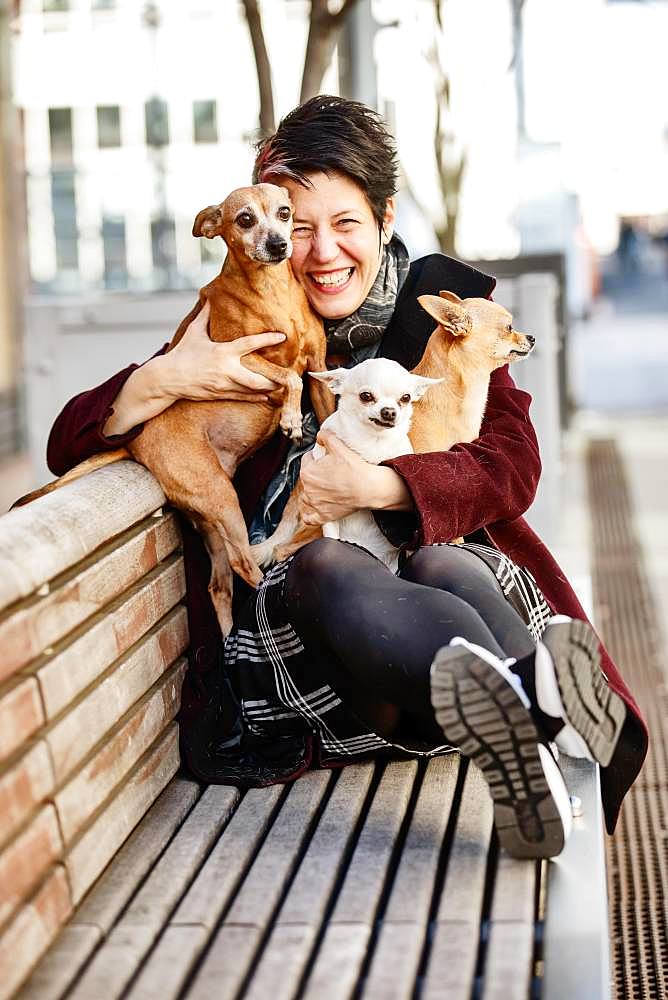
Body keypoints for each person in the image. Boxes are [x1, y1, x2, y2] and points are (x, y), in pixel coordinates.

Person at [47, 96, 647, 858]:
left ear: (385, 218)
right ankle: (539, 706)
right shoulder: (238, 328)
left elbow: (513, 462)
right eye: (298, 226)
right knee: (327, 561)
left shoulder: (448, 311)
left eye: (346, 224)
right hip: (322, 653)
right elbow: (66, 440)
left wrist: (385, 489)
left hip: (450, 596)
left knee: (439, 556)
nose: (321, 250)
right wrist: (166, 378)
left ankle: (520, 718)